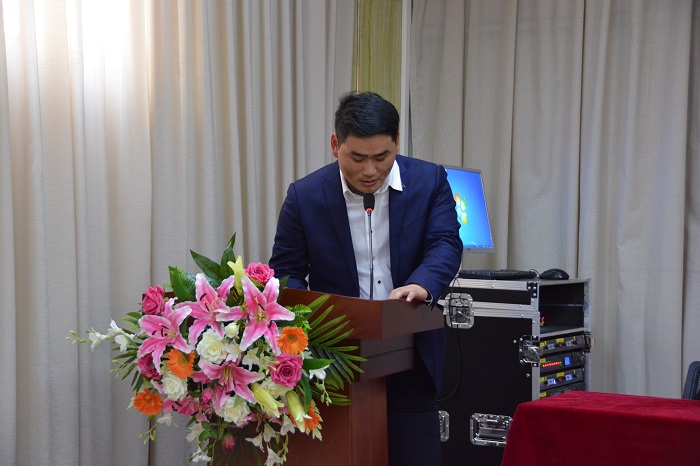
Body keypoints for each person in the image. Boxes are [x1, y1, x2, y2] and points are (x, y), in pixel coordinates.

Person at [269, 91, 462, 465]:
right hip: (337, 359)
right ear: (335, 145)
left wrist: (422, 284)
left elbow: (445, 242)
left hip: (410, 353)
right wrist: (308, 323)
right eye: (357, 158)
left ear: (397, 144)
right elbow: (286, 272)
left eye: (382, 157)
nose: (370, 170)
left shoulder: (430, 181)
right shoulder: (305, 196)